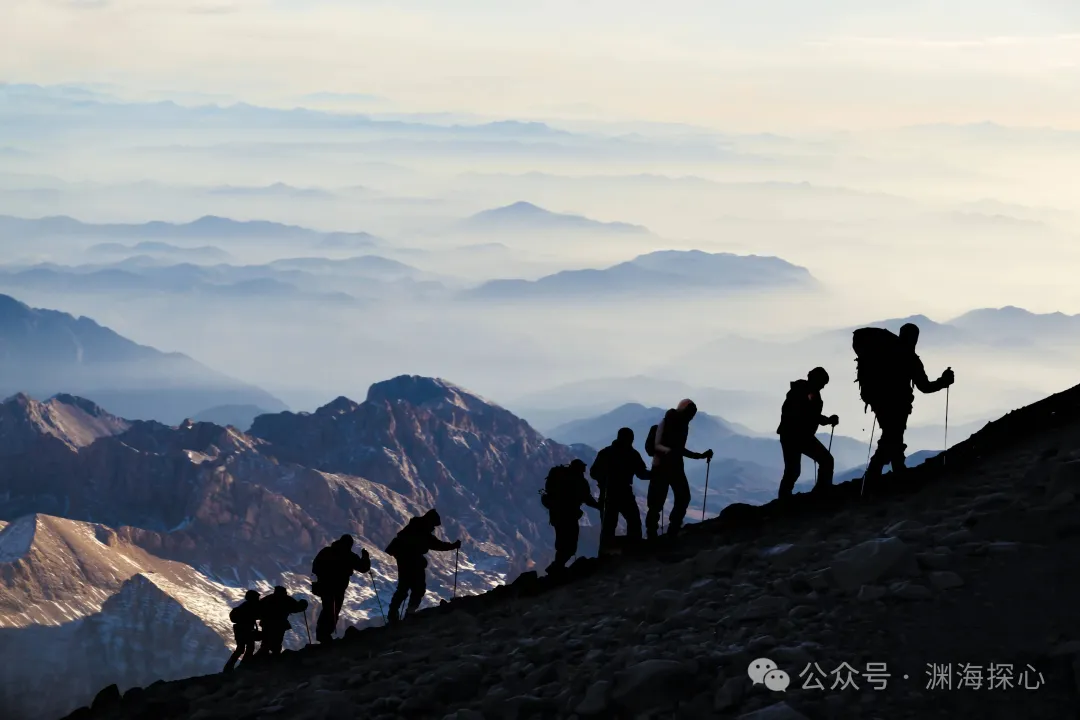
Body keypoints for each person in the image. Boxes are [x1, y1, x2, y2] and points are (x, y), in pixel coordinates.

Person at [857, 322, 955, 483]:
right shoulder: (910, 359)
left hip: (881, 404)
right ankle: (876, 475)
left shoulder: (886, 352)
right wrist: (944, 381)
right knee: (891, 438)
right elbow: (925, 387)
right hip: (898, 406)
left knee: (892, 437)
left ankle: (893, 471)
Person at [646, 400, 713, 539]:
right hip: (671, 467)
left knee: (657, 502)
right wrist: (698, 456)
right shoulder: (676, 425)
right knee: (680, 497)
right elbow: (677, 449)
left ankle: (654, 534)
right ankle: (671, 529)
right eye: (691, 414)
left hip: (662, 467)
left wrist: (698, 456)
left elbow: (676, 449)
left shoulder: (673, 422)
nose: (691, 418)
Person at [385, 509, 461, 623]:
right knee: (418, 588)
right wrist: (453, 546)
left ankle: (393, 614)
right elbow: (436, 544)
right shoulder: (421, 531)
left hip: (404, 561)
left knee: (403, 587)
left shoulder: (414, 527)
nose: (433, 528)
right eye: (433, 525)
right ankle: (409, 612)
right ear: (430, 521)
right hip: (412, 562)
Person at [776, 367, 839, 499]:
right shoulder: (805, 393)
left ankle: (784, 498)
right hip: (797, 436)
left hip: (792, 435)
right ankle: (822, 492)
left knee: (793, 470)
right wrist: (827, 420)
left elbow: (810, 414)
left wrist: (826, 420)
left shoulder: (802, 391)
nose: (822, 387)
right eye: (822, 383)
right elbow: (810, 415)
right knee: (824, 461)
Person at [589, 427, 650, 555]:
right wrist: (656, 474)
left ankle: (605, 555)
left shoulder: (606, 453)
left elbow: (593, 473)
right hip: (624, 493)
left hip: (608, 493)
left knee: (608, 526)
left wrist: (604, 478)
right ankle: (633, 550)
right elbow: (642, 474)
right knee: (633, 522)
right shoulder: (632, 454)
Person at [541, 459, 601, 574]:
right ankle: (557, 568)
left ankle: (557, 567)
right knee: (570, 543)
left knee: (562, 542)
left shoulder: (559, 476)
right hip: (569, 516)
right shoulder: (579, 481)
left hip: (557, 515)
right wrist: (599, 506)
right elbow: (587, 499)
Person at [311, 534, 371, 643]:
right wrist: (365, 557)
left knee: (327, 609)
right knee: (333, 611)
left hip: (324, 587)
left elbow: (315, 567)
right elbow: (363, 567)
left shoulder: (326, 551)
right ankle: (325, 635)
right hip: (338, 588)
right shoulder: (349, 556)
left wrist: (318, 581)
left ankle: (322, 635)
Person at [256, 586, 308, 656]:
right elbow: (296, 608)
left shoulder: (268, 598)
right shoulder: (287, 599)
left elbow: (258, 607)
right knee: (277, 640)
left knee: (266, 639)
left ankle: (263, 654)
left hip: (267, 623)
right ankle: (275, 654)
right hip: (280, 624)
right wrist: (303, 605)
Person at [223, 589, 262, 672]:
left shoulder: (244, 605)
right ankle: (243, 665)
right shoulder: (250, 606)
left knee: (240, 648)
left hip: (239, 630)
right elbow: (257, 615)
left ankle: (229, 667)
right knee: (249, 647)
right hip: (246, 630)